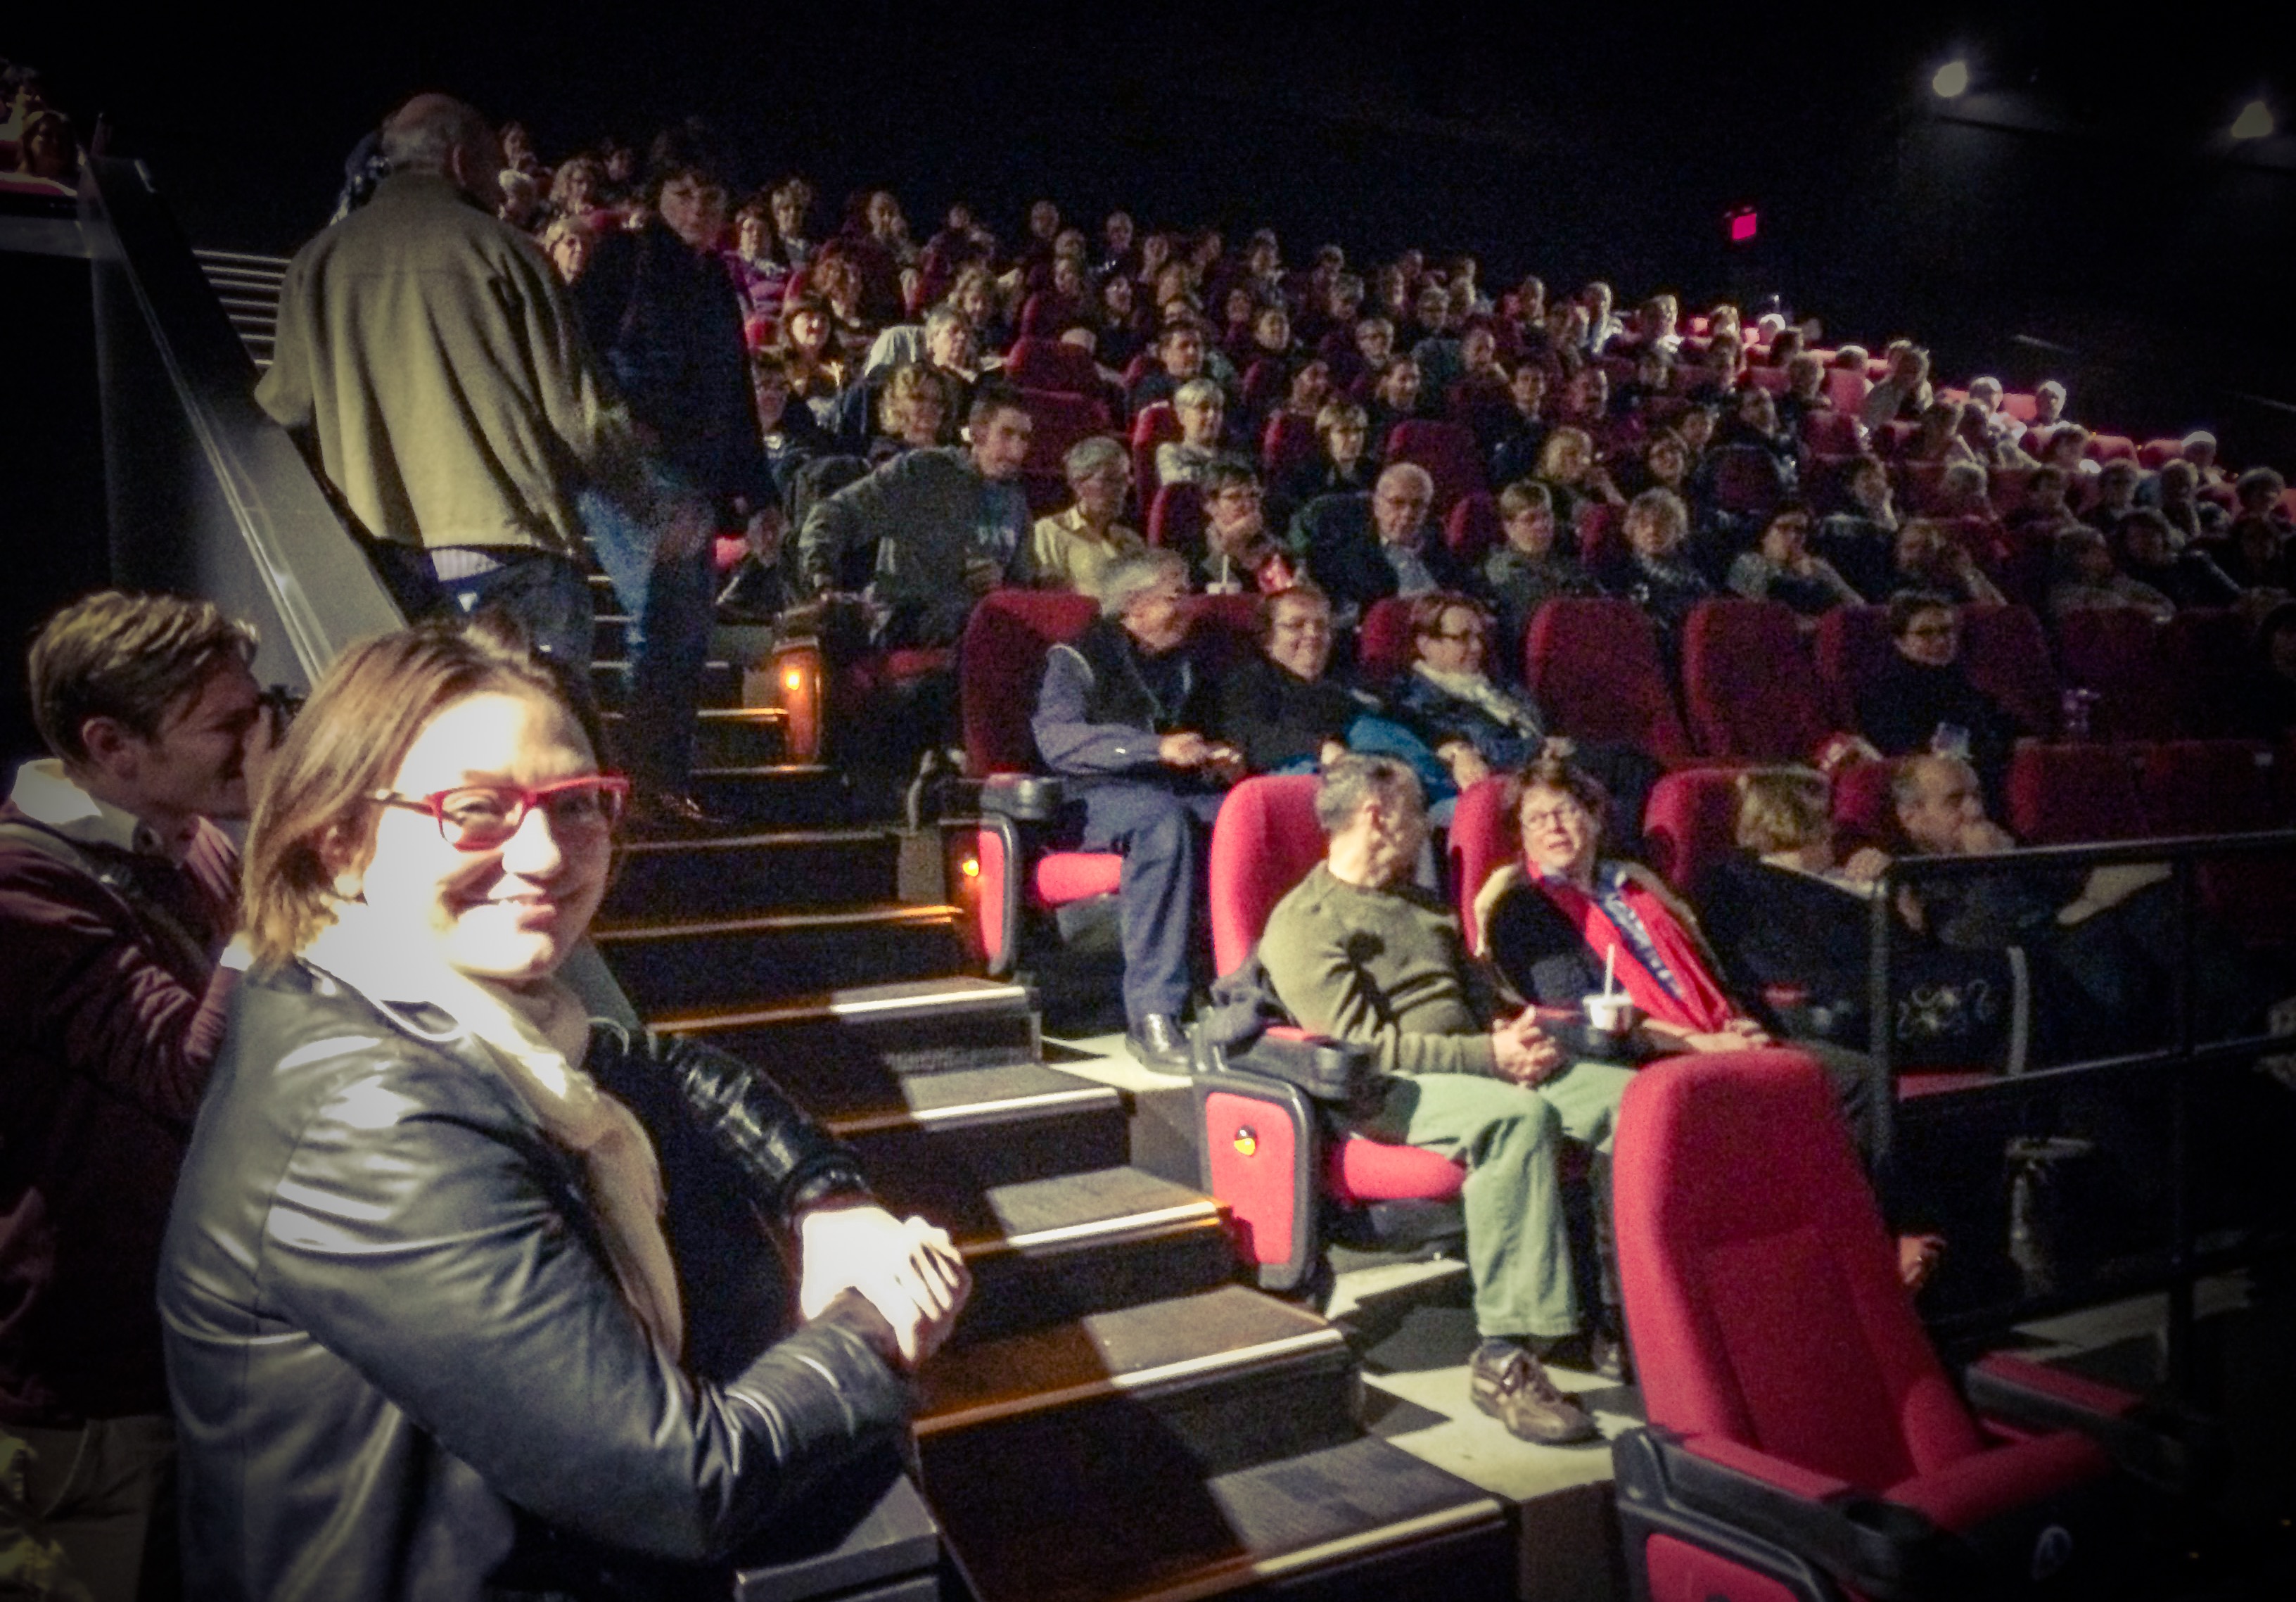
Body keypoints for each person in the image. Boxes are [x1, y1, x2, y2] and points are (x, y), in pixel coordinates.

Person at [159, 619, 969, 1600]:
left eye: (576, 803)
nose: (544, 853)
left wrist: (824, 1195)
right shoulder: (368, 1114)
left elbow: (663, 1067)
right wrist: (876, 1321)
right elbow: (680, 1478)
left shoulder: (451, 1013)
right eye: (477, 809)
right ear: (342, 842)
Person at [0, 595, 280, 1601]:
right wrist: (285, 869)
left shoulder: (191, 840)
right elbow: (188, 1071)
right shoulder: (21, 885)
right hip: (80, 1392)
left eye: (262, 709)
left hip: (193, 1358)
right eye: (228, 724)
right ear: (111, 745)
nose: (260, 743)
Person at [1257, 756, 1633, 1442]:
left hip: (1479, 1064)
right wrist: (1489, 1056)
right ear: (1377, 816)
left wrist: (1511, 1033)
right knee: (1517, 1119)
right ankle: (1505, 1357)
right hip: (1385, 1094)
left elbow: (1479, 1003)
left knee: (1635, 1103)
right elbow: (1364, 1049)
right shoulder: (1304, 922)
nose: (1428, 824)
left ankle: (1621, 1314)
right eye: (1414, 807)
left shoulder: (1424, 906)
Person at [257, 94, 687, 680]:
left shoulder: (316, 263)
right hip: (516, 552)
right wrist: (653, 509)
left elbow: (282, 414)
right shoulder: (509, 254)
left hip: (385, 562)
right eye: (491, 169)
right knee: (536, 751)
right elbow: (582, 417)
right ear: (461, 163)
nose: (504, 191)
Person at [574, 145, 775, 827]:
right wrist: (623, 419)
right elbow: (571, 351)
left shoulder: (717, 279)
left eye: (712, 198)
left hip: (694, 472)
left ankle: (660, 778)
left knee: (684, 629)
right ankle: (637, 782)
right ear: (659, 196)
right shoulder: (621, 258)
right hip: (628, 466)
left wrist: (760, 492)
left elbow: (734, 393)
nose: (698, 210)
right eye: (684, 194)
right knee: (663, 617)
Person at [1031, 552, 1242, 1067]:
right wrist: (1152, 749)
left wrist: (1219, 758)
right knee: (1160, 821)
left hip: (1168, 788)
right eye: (1175, 596)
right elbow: (1058, 741)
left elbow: (1199, 736)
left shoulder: (1186, 662)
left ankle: (1251, 995)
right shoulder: (1075, 657)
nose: (1188, 608)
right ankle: (1153, 1013)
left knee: (1244, 817)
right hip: (1089, 797)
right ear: (1134, 606)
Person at [796, 383, 1035, 648]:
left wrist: (1001, 583)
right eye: (1007, 435)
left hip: (976, 627)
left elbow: (1023, 584)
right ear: (978, 432)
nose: (1017, 450)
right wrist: (821, 580)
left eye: (1024, 439)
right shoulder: (923, 472)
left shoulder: (1016, 502)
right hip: (906, 619)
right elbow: (836, 512)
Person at [1854, 592, 2027, 803]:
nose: (1940, 641)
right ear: (1901, 642)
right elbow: (1910, 752)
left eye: (1946, 631)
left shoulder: (1960, 680)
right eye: (1925, 633)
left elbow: (2006, 725)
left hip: (1987, 775)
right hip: (1935, 791)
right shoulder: (1883, 692)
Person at [1300, 463, 1477, 621]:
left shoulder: (1439, 548)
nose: (1407, 514)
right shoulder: (1349, 559)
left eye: (1417, 505)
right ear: (1377, 505)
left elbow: (1473, 594)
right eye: (1397, 503)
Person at [1031, 436, 1144, 597]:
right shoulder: (1049, 532)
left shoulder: (1132, 541)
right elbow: (1053, 600)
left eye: (1125, 478)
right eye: (1110, 480)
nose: (1121, 488)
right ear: (1078, 484)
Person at [1726, 506, 1862, 618]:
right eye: (1784, 528)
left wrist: (1814, 575)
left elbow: (1857, 607)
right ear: (1765, 535)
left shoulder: (1817, 567)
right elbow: (1771, 611)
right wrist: (1808, 582)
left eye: (1800, 531)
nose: (1793, 536)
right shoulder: (1747, 564)